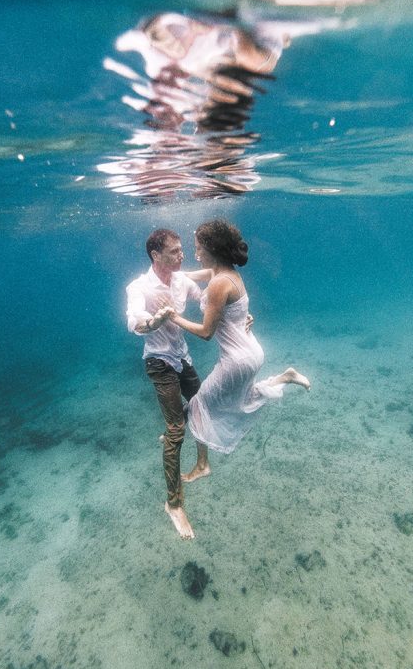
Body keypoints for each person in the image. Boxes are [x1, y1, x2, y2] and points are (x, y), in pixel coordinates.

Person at [165, 219, 310, 458]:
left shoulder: (218, 284)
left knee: (200, 403)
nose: (195, 253)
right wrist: (172, 272)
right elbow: (192, 274)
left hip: (236, 360)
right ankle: (287, 377)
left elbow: (206, 333)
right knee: (246, 396)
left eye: (198, 248)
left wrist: (174, 317)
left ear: (211, 249)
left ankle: (198, 461)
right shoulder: (226, 272)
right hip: (251, 350)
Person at [126, 228, 210, 540]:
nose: (182, 255)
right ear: (156, 255)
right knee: (177, 432)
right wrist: (155, 322)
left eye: (181, 249)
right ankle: (173, 504)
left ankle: (201, 464)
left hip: (182, 357)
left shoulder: (181, 280)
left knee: (203, 404)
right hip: (158, 362)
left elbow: (205, 302)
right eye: (174, 251)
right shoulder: (139, 287)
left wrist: (234, 313)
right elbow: (135, 321)